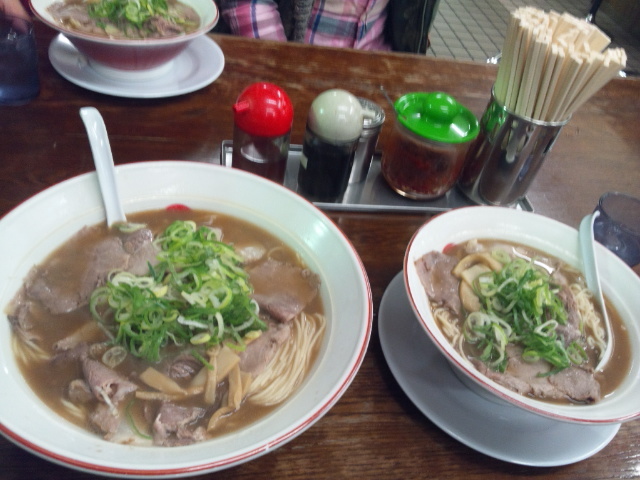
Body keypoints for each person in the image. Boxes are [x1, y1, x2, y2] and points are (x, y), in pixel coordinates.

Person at [217, 0, 439, 53]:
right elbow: (248, 4)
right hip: (297, 62)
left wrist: (414, 35)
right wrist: (281, 65)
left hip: (378, 66)